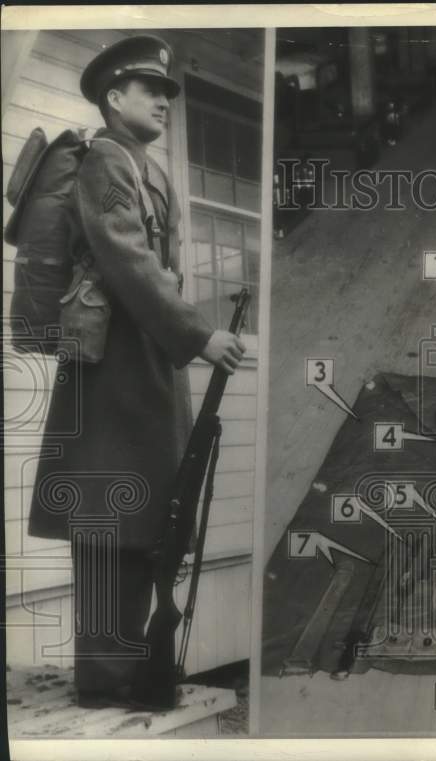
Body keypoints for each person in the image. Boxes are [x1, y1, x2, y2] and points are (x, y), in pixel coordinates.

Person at [25, 34, 246, 710]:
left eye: (166, 92)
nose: (162, 101)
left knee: (149, 516)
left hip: (146, 364)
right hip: (111, 364)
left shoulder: (147, 169)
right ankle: (105, 676)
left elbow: (158, 269)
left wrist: (186, 337)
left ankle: (129, 667)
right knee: (104, 518)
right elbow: (127, 260)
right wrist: (197, 334)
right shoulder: (105, 161)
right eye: (149, 90)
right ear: (113, 99)